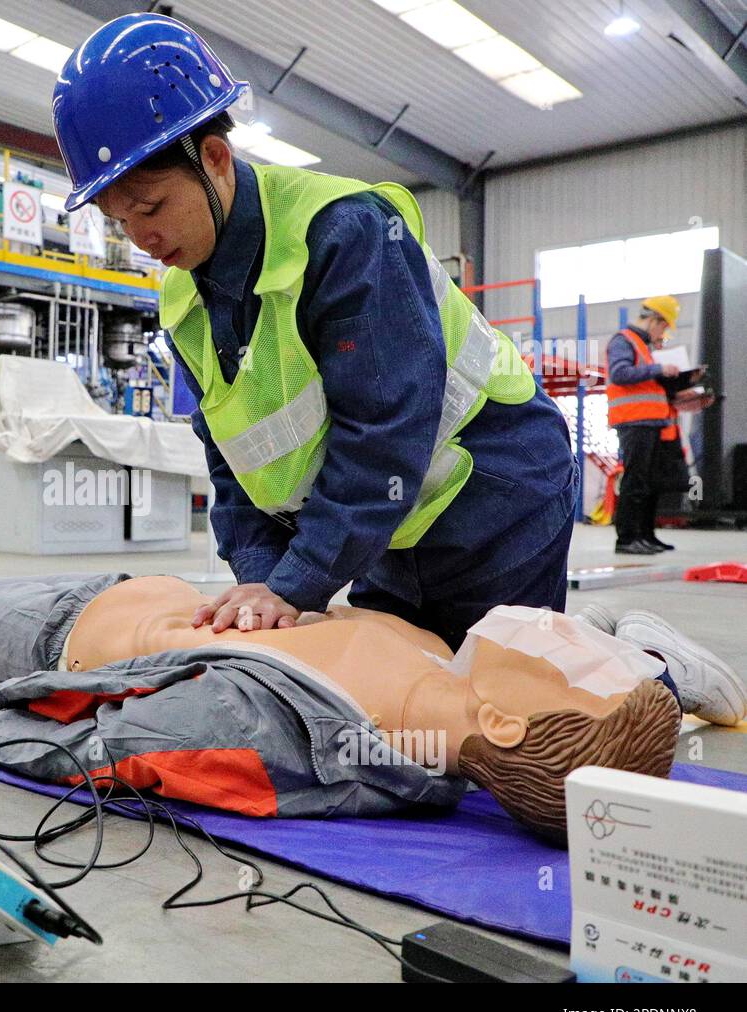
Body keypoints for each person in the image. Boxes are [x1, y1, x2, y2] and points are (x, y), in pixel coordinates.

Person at [49, 13, 578, 654]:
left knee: (517, 708)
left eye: (151, 206)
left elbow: (385, 428)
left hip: (493, 493)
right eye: (118, 219)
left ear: (214, 158)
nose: (141, 237)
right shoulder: (183, 296)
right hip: (387, 526)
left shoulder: (342, 233)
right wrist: (262, 589)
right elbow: (233, 459)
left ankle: (653, 670)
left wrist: (298, 582)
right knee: (388, 706)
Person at [0, 541, 747, 841]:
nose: (565, 623)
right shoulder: (448, 681)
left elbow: (119, 747)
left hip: (49, 638)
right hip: (125, 595)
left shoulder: (290, 735)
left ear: (500, 716)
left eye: (572, 652)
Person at [606, 295, 701, 554]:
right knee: (635, 481)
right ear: (655, 320)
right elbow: (619, 373)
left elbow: (647, 384)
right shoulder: (623, 340)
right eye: (664, 326)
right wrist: (658, 369)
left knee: (649, 482)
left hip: (651, 421)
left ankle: (645, 536)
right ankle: (626, 539)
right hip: (634, 421)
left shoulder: (644, 346)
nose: (663, 332)